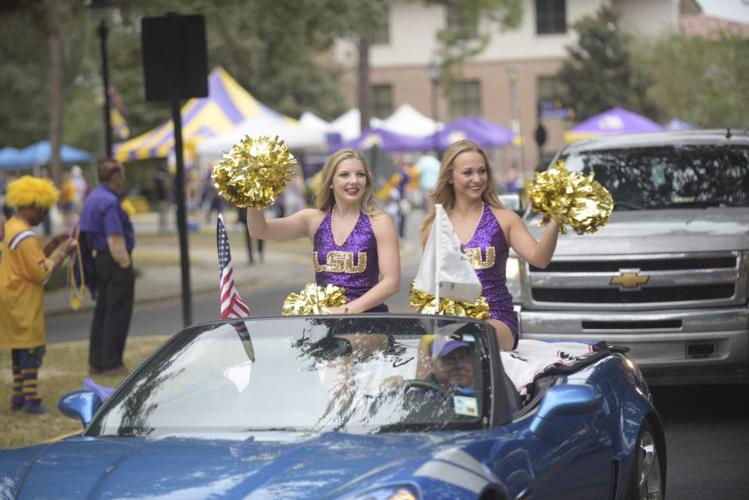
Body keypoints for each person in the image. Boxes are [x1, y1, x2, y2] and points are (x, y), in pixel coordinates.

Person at [420, 140, 559, 351]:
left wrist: (556, 220)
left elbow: (540, 258)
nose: (477, 179)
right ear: (450, 177)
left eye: (482, 171)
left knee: (471, 337)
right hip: (450, 320)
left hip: (496, 319)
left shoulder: (505, 219)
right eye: (468, 173)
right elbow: (432, 288)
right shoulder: (436, 226)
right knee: (427, 346)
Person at [246, 148, 400, 313]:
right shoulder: (313, 220)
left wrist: (346, 310)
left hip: (368, 323)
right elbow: (260, 231)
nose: (354, 180)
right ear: (330, 181)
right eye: (344, 175)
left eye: (360, 175)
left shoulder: (380, 222)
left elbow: (391, 282)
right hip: (325, 323)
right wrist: (256, 193)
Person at [0, 176, 77, 414]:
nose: (44, 215)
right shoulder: (27, 236)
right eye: (43, 210)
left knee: (19, 348)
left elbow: (32, 261)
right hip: (24, 299)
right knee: (33, 349)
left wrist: (53, 243)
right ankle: (32, 399)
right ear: (31, 205)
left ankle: (18, 396)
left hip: (11, 296)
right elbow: (40, 272)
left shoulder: (12, 227)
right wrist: (64, 251)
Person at [78, 159, 135, 376]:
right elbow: (115, 237)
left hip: (98, 260)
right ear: (114, 177)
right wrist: (125, 263)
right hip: (114, 259)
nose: (123, 180)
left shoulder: (92, 197)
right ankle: (112, 362)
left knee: (103, 310)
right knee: (117, 311)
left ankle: (97, 361)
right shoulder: (110, 201)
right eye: (121, 175)